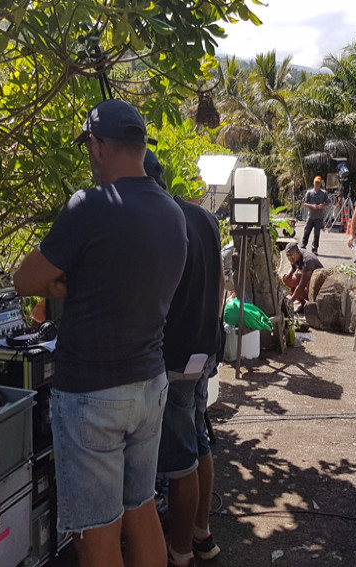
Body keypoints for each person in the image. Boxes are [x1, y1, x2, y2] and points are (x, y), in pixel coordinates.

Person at [13, 99, 187, 567]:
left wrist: (64, 282)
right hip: (149, 385)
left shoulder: (89, 206)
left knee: (98, 527)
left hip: (92, 393)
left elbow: (23, 279)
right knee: (142, 505)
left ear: (98, 145)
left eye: (88, 147)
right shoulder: (172, 213)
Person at [154, 153, 224, 567]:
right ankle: (202, 535)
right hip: (204, 348)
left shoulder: (157, 222)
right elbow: (219, 285)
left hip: (174, 357)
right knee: (199, 441)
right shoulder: (204, 217)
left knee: (179, 457)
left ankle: (178, 553)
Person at [282, 241, 324, 312]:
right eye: (288, 257)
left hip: (317, 285)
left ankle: (313, 304)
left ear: (298, 252)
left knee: (297, 289)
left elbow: (301, 285)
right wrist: (288, 276)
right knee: (287, 280)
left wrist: (290, 302)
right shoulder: (295, 255)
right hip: (307, 279)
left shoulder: (307, 260)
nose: (290, 259)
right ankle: (303, 304)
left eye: (292, 256)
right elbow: (294, 266)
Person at [301, 175, 329, 255]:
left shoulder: (324, 193)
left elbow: (327, 203)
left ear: (320, 184)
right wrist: (312, 206)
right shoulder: (309, 192)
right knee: (306, 231)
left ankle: (314, 249)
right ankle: (303, 246)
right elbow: (304, 203)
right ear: (314, 183)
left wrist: (322, 206)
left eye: (318, 183)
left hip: (319, 217)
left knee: (317, 234)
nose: (317, 184)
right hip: (310, 216)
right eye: (316, 183)